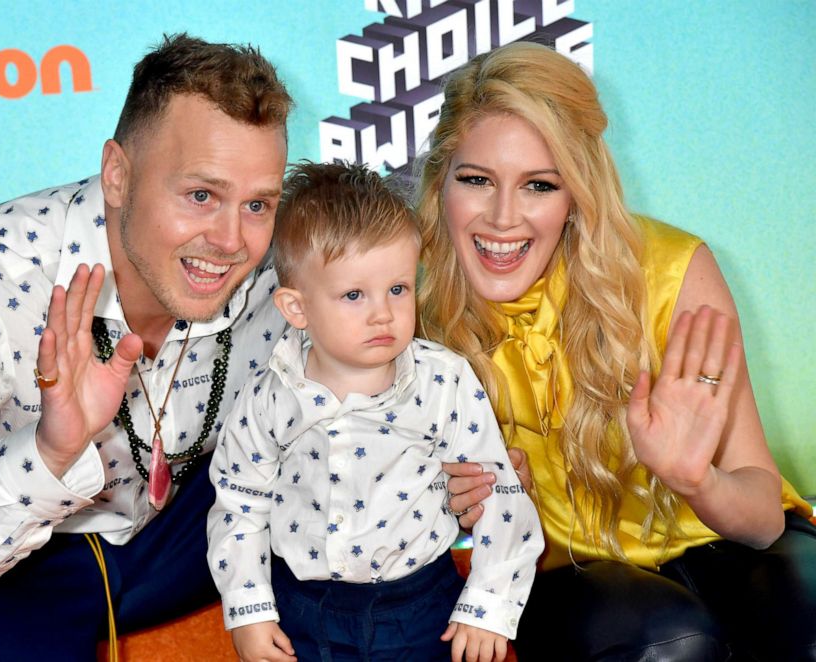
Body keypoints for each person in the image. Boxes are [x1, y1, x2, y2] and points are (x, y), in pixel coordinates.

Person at [0, 34, 293, 660]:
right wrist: (49, 453)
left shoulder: (284, 269)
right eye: (201, 196)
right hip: (22, 562)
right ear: (118, 175)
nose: (231, 240)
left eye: (258, 204)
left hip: (189, 532)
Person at [421, 42, 816, 661]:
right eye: (476, 180)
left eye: (539, 186)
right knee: (668, 647)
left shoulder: (670, 269)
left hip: (727, 540)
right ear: (440, 181)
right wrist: (457, 502)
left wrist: (697, 480)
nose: (502, 217)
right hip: (568, 573)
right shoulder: (406, 305)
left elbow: (763, 520)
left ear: (576, 193)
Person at [206, 161, 543, 662]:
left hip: (419, 605)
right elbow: (239, 504)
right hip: (303, 607)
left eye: (398, 289)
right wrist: (249, 609)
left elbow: (499, 489)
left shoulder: (442, 381)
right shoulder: (269, 397)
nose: (382, 312)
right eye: (354, 295)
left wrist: (488, 604)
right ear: (297, 308)